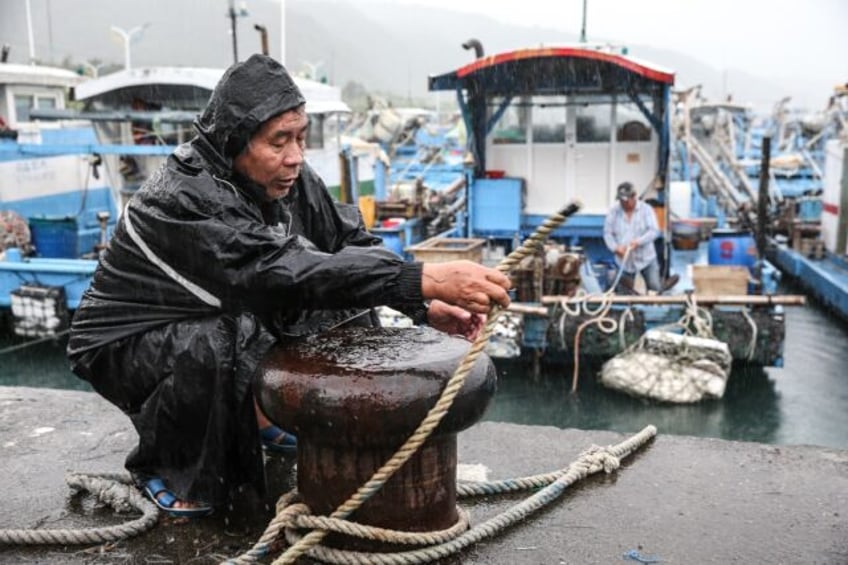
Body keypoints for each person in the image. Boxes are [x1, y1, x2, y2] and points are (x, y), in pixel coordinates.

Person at [66, 54, 511, 517]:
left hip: (221, 305)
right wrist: (426, 278)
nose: (295, 156)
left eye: (300, 137)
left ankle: (263, 419)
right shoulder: (183, 198)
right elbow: (275, 271)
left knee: (343, 296)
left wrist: (422, 305)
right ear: (235, 141)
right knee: (214, 341)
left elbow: (349, 244)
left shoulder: (286, 176)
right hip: (123, 343)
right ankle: (176, 468)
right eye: (279, 141)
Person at [603, 181, 678, 294]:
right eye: (621, 201)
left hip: (646, 259)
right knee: (624, 293)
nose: (624, 203)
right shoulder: (614, 212)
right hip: (624, 262)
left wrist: (638, 242)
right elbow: (607, 233)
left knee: (655, 289)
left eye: (626, 200)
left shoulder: (646, 210)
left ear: (634, 196)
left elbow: (654, 231)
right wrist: (615, 248)